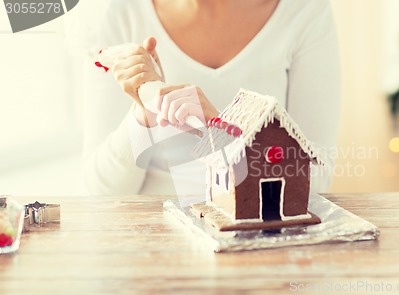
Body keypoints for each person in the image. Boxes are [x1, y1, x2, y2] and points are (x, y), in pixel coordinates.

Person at [81, 0, 340, 197]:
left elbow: (315, 177)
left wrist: (221, 134)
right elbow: (100, 191)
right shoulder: (116, 12)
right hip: (147, 246)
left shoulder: (305, 11)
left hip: (259, 240)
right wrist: (146, 110)